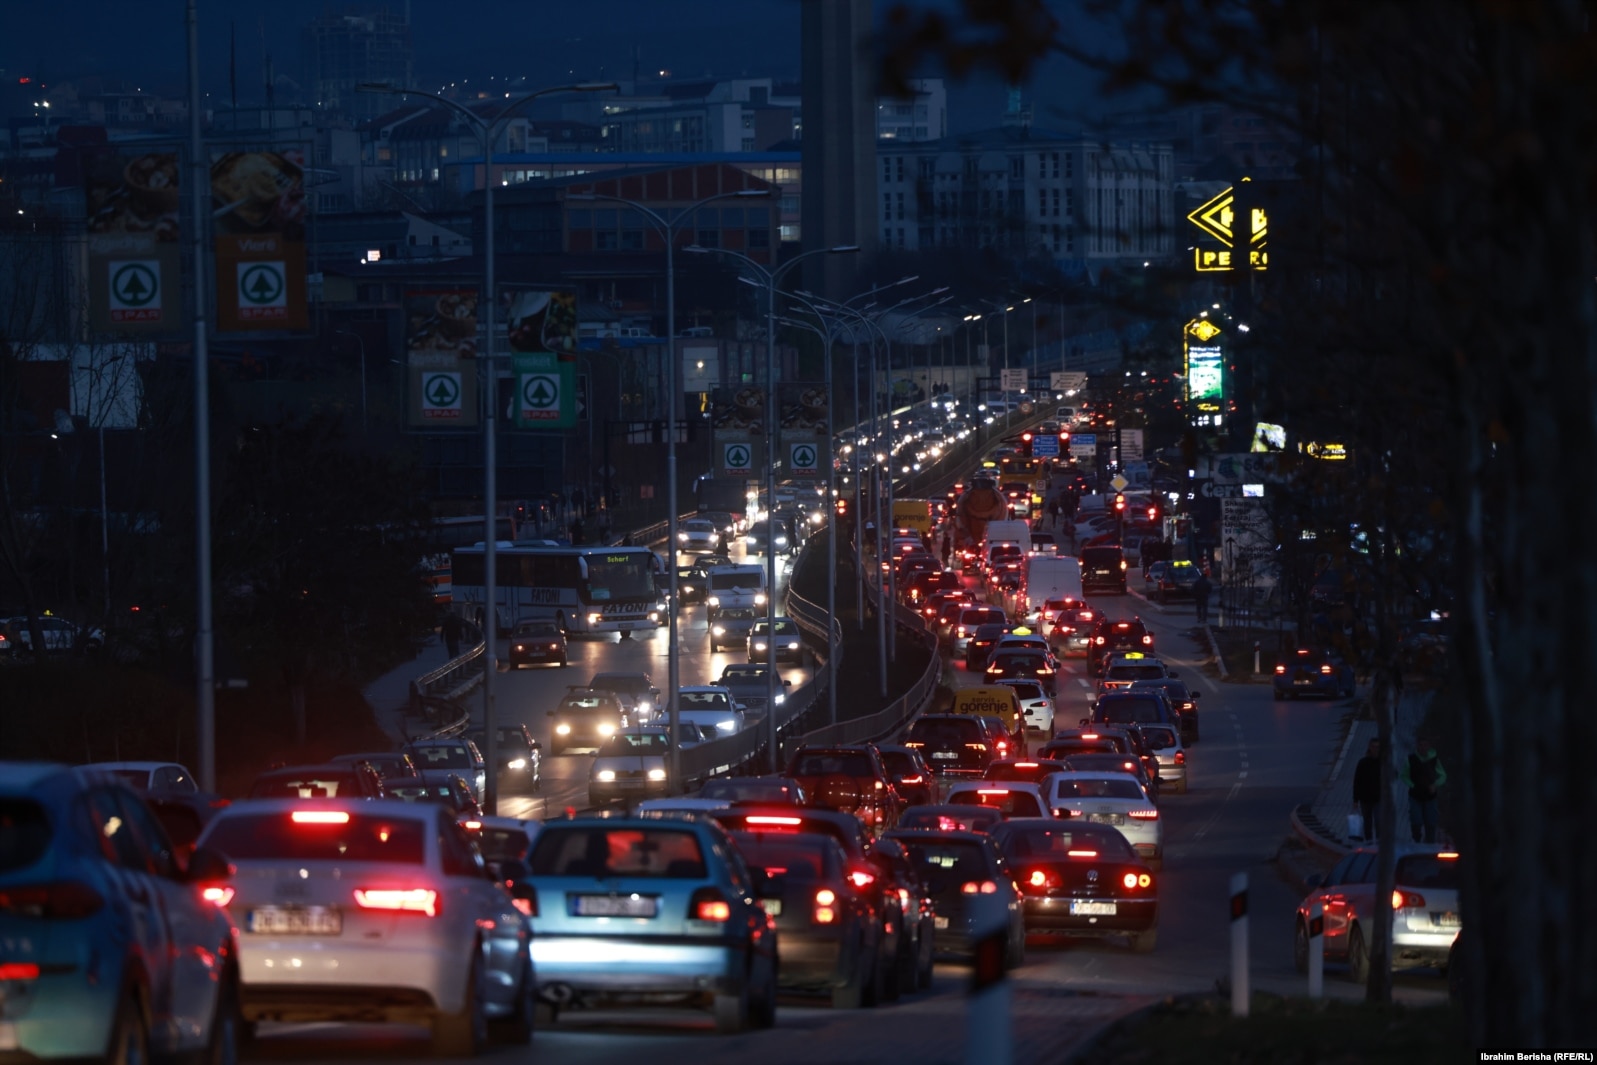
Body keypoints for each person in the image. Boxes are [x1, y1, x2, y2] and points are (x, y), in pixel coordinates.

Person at [1401, 737, 1447, 843]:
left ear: (1429, 746)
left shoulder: (1434, 759)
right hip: (1415, 795)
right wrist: (1412, 785)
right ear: (1417, 746)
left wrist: (1435, 785)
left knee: (1431, 821)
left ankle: (1430, 842)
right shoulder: (1411, 759)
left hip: (1430, 795)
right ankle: (1416, 839)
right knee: (1416, 820)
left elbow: (1443, 775)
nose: (1423, 748)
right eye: (1421, 745)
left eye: (1425, 745)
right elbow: (1404, 775)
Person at [1351, 738, 1382, 841]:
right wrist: (1355, 800)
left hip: (1379, 798)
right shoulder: (1363, 763)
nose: (1375, 749)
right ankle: (1369, 842)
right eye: (1373, 747)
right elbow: (1357, 781)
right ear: (1369, 747)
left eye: (1377, 747)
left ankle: (1379, 843)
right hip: (1365, 798)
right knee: (1367, 822)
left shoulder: (1383, 763)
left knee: (1378, 821)